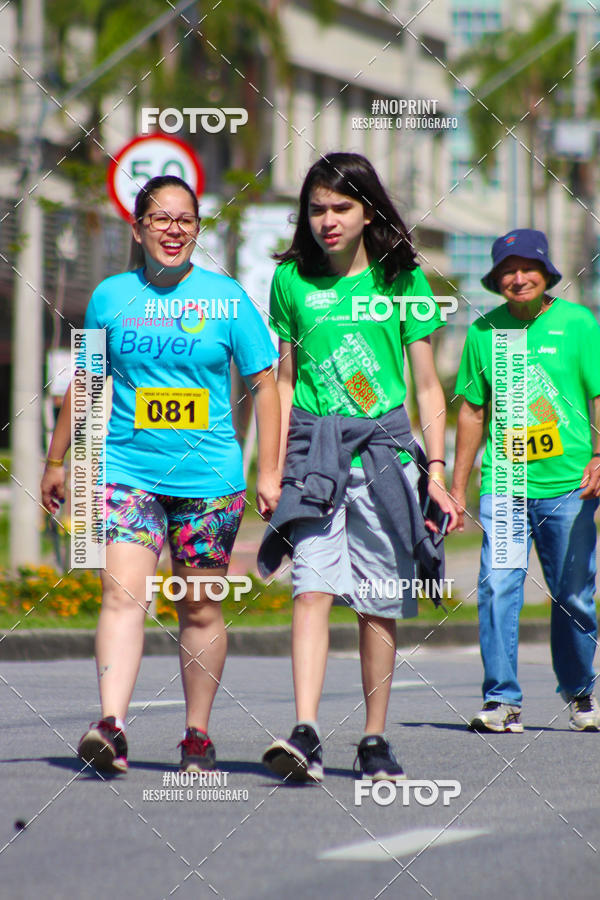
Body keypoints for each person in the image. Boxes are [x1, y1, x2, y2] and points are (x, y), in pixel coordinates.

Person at [41, 175, 280, 773]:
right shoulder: (110, 295)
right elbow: (88, 380)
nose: (173, 229)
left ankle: (196, 734)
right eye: (161, 218)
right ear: (139, 228)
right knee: (122, 596)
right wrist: (57, 459)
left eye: (185, 220)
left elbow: (266, 387)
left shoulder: (227, 299)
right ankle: (111, 726)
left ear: (198, 229)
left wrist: (268, 469)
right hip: (125, 469)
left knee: (198, 607)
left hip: (210, 479)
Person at [258, 152, 458, 783]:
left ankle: (374, 739)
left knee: (378, 600)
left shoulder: (404, 278)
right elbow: (283, 382)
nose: (327, 220)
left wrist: (438, 470)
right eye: (316, 209)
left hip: (387, 450)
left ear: (367, 210)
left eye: (341, 207)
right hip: (314, 451)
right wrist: (268, 469)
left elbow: (427, 386)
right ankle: (305, 732)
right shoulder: (291, 281)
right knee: (310, 588)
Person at [452, 228, 600, 733]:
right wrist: (458, 485)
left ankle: (581, 692)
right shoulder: (483, 332)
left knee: (574, 593)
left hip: (570, 485)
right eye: (507, 270)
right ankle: (502, 700)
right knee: (497, 586)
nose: (518, 277)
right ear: (496, 279)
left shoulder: (578, 324)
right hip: (507, 480)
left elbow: (598, 395)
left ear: (547, 272)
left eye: (527, 267)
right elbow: (472, 413)